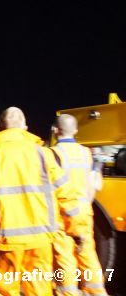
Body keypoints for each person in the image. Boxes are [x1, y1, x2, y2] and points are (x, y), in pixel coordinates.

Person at [0, 107, 87, 296]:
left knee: (5, 291)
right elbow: (66, 195)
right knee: (39, 290)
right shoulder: (44, 154)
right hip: (40, 239)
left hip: (4, 240)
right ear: (25, 127)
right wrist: (77, 230)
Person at [50, 114, 107, 296]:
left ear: (54, 130)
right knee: (88, 256)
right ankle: (97, 292)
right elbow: (94, 184)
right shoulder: (86, 153)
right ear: (75, 130)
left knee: (64, 259)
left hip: (61, 216)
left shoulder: (52, 154)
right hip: (83, 213)